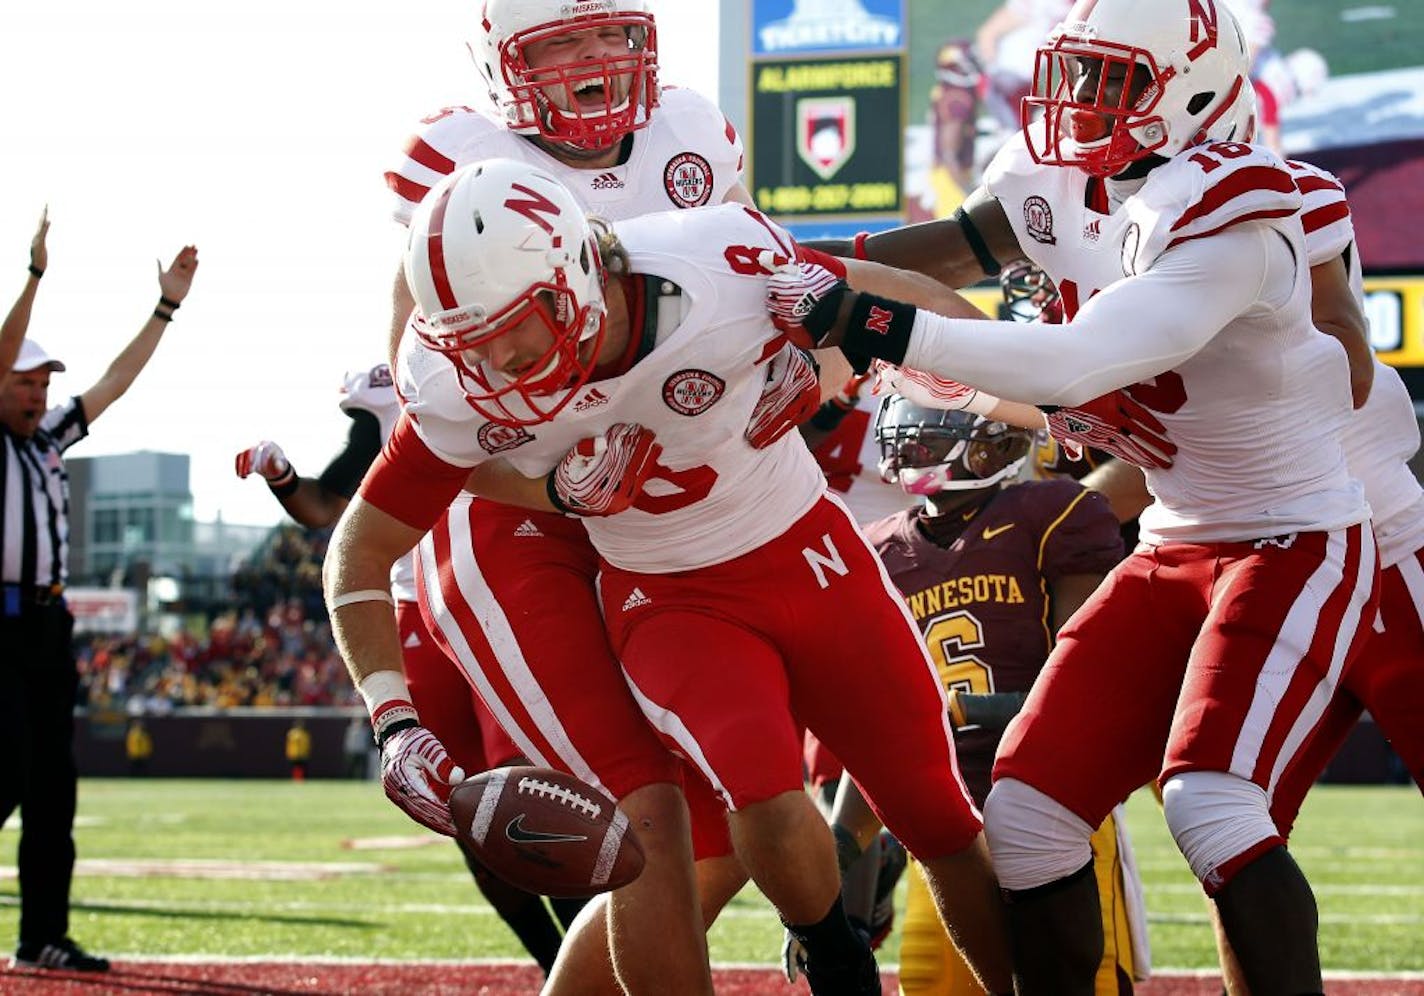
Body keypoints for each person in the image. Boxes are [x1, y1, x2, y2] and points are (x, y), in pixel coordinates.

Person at [765, 2, 1381, 991]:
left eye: (1111, 82)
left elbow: (1075, 356)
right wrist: (793, 265)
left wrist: (867, 317)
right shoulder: (1070, 180)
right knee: (1026, 821)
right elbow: (971, 254)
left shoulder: (1239, 205)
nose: (1076, 107)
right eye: (1074, 76)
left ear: (1189, 89)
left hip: (1291, 532)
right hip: (1172, 536)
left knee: (1211, 807)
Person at [326, 156, 1017, 995]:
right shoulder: (457, 383)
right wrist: (393, 719)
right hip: (669, 596)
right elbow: (362, 543)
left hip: (807, 550)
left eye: (515, 325)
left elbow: (914, 309)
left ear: (577, 273)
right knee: (758, 787)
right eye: (473, 342)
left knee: (937, 814)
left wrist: (855, 360)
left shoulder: (718, 262)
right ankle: (838, 961)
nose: (501, 360)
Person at [372, 2, 796, 991]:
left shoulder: (692, 129)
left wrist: (800, 352)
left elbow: (769, 280)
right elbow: (419, 403)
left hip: (657, 507)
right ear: (496, 58)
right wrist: (548, 484)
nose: (593, 65)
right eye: (557, 43)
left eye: (607, 34)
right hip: (512, 506)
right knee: (646, 810)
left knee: (727, 811)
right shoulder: (455, 156)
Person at [234, 362, 583, 977]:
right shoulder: (393, 378)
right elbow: (326, 508)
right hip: (417, 608)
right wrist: (282, 476)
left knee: (544, 790)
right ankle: (561, 970)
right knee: (472, 814)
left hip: (506, 585)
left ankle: (598, 968)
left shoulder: (513, 350)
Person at [857, 397, 1149, 996]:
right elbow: (869, 737)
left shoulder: (1052, 513)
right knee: (938, 983)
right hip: (948, 815)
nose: (915, 442)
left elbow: (1085, 681)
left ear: (995, 443)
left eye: (936, 430)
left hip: (1053, 800)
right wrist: (840, 865)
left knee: (1071, 978)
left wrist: (962, 711)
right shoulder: (880, 547)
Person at [0, 220, 198, 974]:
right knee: (6, 772)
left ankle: (41, 937)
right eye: (26, 380)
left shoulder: (48, 436)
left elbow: (113, 382)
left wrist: (164, 309)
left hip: (49, 626)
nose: (40, 392)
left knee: (54, 789)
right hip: (0, 623)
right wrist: (32, 276)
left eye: (45, 380)